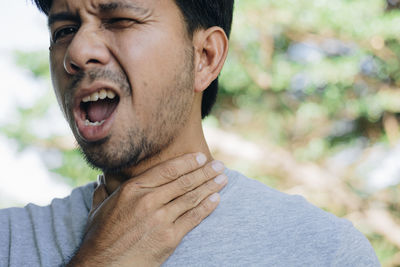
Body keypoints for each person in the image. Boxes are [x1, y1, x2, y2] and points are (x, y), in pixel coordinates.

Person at [0, 0, 380, 266]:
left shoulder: (324, 252)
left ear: (206, 57)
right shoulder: (8, 241)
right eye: (65, 29)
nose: (77, 51)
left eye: (119, 19)